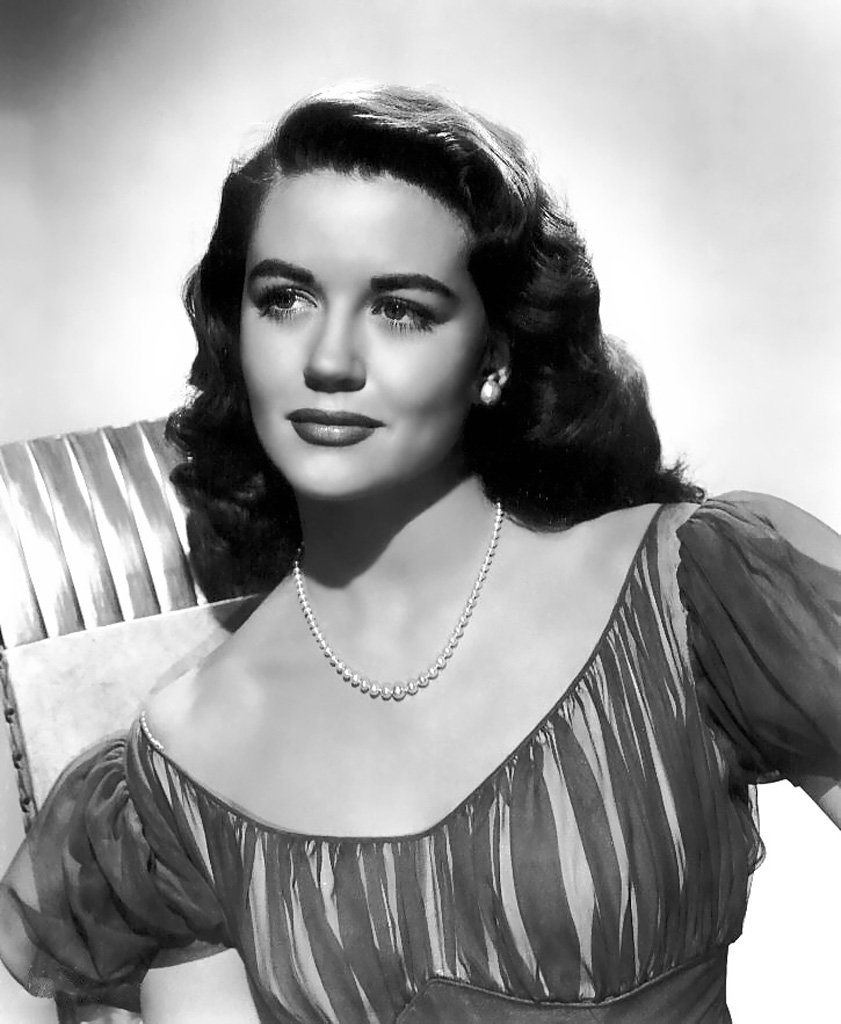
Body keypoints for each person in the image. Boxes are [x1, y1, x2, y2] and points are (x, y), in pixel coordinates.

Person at [1, 85, 839, 1024]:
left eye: (400, 309)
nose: (330, 359)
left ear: (495, 357)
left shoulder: (694, 589)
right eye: (285, 298)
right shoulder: (184, 758)